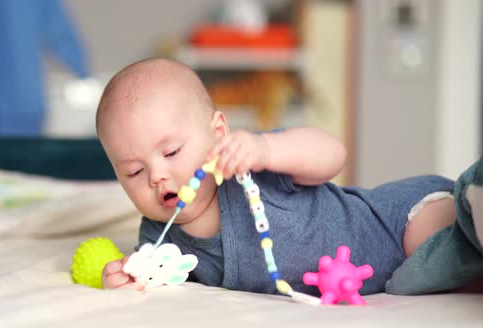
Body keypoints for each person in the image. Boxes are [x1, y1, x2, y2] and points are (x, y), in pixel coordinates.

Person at [96, 58, 483, 296]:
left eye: (171, 153)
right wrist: (126, 276)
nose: (157, 176)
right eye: (133, 171)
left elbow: (333, 155)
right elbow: (152, 277)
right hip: (394, 278)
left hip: (392, 223)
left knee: (436, 238)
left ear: (218, 133)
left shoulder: (252, 166)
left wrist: (267, 150)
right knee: (439, 279)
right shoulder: (158, 238)